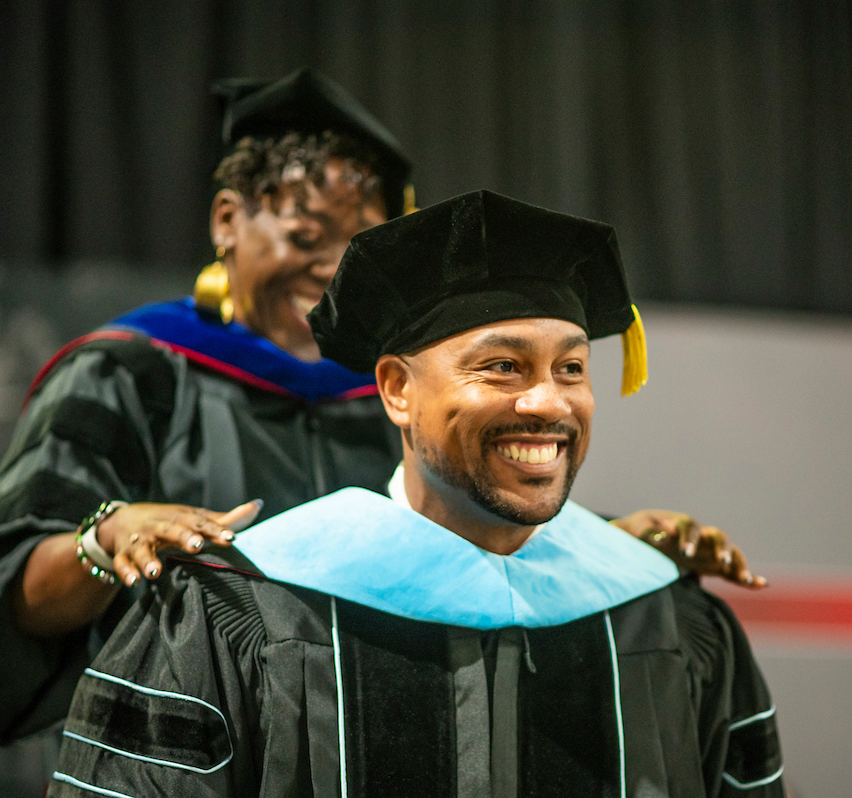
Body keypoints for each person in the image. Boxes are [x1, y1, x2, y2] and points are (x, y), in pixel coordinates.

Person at [0, 69, 761, 748]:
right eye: (305, 233)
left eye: (358, 245)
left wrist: (602, 550)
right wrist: (107, 539)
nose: (331, 268)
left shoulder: (393, 398)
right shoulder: (131, 375)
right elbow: (1, 607)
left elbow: (449, 540)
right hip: (177, 745)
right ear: (228, 221)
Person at [51, 190, 784, 797]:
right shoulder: (238, 608)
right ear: (397, 390)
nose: (548, 403)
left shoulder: (674, 620)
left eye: (569, 369)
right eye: (502, 366)